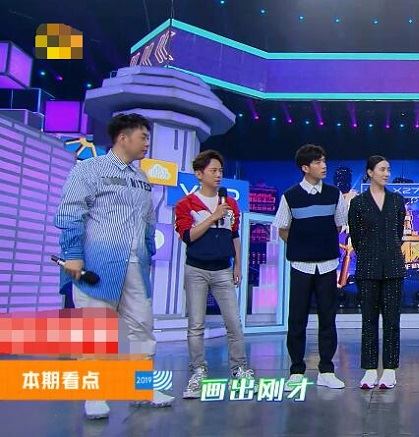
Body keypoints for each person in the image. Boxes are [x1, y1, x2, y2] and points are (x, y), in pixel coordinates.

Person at [54, 113, 174, 419]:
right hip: (98, 265)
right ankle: (95, 394)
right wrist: (73, 254)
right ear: (123, 137)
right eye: (143, 137)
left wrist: (148, 253)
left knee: (142, 329)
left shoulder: (142, 178)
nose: (147, 144)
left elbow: (148, 222)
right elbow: (70, 212)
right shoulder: (89, 169)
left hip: (136, 268)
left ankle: (141, 388)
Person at [174, 150, 254, 399]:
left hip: (223, 270)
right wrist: (213, 217)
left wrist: (238, 265)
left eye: (220, 171)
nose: (219, 175)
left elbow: (234, 236)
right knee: (196, 325)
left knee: (234, 323)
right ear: (199, 174)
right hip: (196, 270)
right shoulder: (186, 204)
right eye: (213, 171)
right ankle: (198, 372)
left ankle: (239, 369)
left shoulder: (230, 204)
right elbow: (188, 236)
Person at [273, 144, 347, 390]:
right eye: (317, 162)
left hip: (327, 266)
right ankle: (296, 371)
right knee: (297, 320)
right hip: (301, 267)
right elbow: (283, 229)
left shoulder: (334, 194)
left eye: (324, 161)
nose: (323, 166)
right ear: (305, 167)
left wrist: (320, 242)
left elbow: (339, 225)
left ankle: (326, 370)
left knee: (328, 319)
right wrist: (303, 246)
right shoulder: (290, 196)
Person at [348, 156, 406, 389]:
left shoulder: (397, 200)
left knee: (392, 320)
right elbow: (356, 237)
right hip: (368, 268)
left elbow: (398, 233)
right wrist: (370, 253)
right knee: (368, 320)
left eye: (388, 169)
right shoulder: (358, 203)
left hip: (393, 267)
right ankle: (370, 370)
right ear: (370, 172)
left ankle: (390, 370)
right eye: (382, 169)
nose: (386, 173)